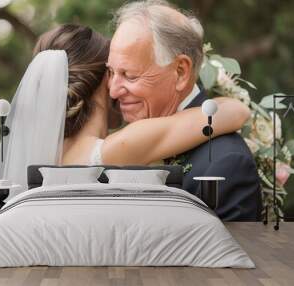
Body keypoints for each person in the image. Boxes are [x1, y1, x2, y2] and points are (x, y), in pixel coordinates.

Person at [0, 23, 250, 219]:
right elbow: (236, 112)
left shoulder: (41, 150)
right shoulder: (115, 148)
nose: (118, 85)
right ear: (104, 81)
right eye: (114, 72)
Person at [106, 0, 262, 221]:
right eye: (111, 72)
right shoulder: (117, 138)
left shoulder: (226, 164)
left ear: (180, 72)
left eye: (130, 76)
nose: (113, 91)